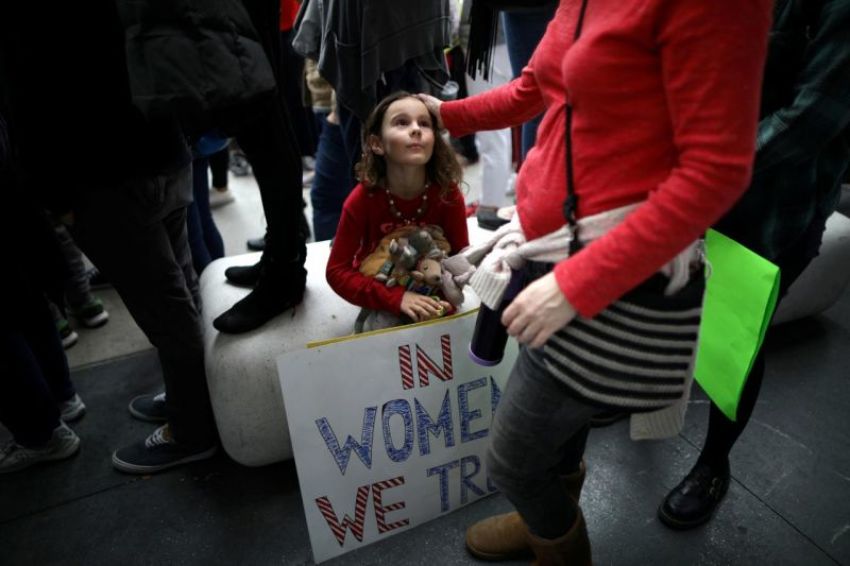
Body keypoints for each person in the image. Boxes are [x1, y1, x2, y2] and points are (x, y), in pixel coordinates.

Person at [417, 0, 772, 562]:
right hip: (548, 248)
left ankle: (557, 537)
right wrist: (448, 115)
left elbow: (717, 168)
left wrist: (575, 286)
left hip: (607, 271)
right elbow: (534, 86)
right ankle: (550, 516)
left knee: (512, 460)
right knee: (558, 438)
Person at [658, 0, 850, 530]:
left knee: (734, 336)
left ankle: (712, 464)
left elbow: (811, 119)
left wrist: (706, 166)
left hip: (771, 206)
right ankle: (648, 401)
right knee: (662, 301)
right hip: (692, 178)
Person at [326, 92, 469, 327]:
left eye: (424, 123)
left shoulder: (447, 193)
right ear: (377, 144)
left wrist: (444, 301)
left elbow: (458, 257)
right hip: (382, 289)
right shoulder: (362, 199)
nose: (416, 129)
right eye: (402, 122)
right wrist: (396, 298)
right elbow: (336, 271)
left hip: (434, 290)